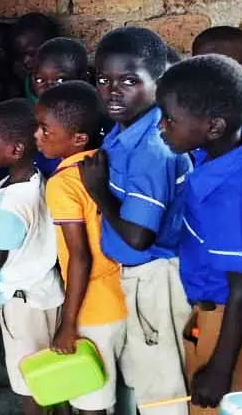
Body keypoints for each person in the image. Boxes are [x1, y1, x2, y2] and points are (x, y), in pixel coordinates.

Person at [77, 27, 192, 415]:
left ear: (158, 83)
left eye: (129, 81)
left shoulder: (152, 148)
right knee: (144, 371)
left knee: (161, 384)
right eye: (103, 79)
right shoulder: (126, 129)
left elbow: (140, 236)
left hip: (154, 278)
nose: (112, 91)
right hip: (139, 277)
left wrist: (99, 193)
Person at [158, 55, 242, 414]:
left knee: (213, 405)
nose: (162, 126)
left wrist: (220, 370)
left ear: (213, 127)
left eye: (170, 119)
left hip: (229, 324)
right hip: (213, 312)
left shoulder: (231, 193)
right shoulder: (223, 154)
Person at [35, 82, 127, 415]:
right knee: (126, 392)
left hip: (93, 307)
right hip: (125, 294)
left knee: (92, 400)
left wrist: (68, 323)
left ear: (78, 138)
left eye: (46, 130)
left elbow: (80, 256)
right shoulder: (106, 163)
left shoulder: (62, 184)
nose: (37, 136)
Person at [0, 100, 63, 415]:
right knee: (56, 370)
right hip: (48, 290)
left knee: (31, 379)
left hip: (21, 302)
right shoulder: (38, 181)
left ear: (15, 150)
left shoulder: (9, 207)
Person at [30, 37, 90, 177]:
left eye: (61, 80)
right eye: (40, 80)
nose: (49, 88)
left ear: (84, 78)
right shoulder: (34, 120)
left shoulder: (94, 119)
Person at [11, 14, 61, 104]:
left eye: (32, 54)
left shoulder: (66, 81)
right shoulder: (28, 80)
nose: (25, 61)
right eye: (20, 55)